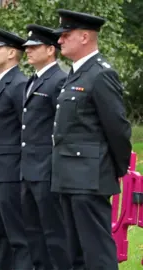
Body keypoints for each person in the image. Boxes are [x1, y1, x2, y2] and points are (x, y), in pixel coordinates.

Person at [52, 9, 132, 269]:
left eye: (66, 35)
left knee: (96, 251)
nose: (60, 40)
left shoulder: (100, 74)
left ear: (84, 37)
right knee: (75, 252)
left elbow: (117, 129)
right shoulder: (75, 74)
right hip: (68, 175)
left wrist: (113, 169)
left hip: (90, 177)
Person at [20, 24, 71, 270]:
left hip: (46, 168)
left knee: (54, 232)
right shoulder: (34, 80)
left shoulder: (59, 80)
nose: (27, 51)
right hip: (28, 168)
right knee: (32, 230)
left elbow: (60, 129)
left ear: (51, 50)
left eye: (34, 47)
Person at [0, 28, 32, 270]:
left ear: (12, 52)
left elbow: (25, 129)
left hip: (10, 170)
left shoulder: (19, 84)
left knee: (16, 232)